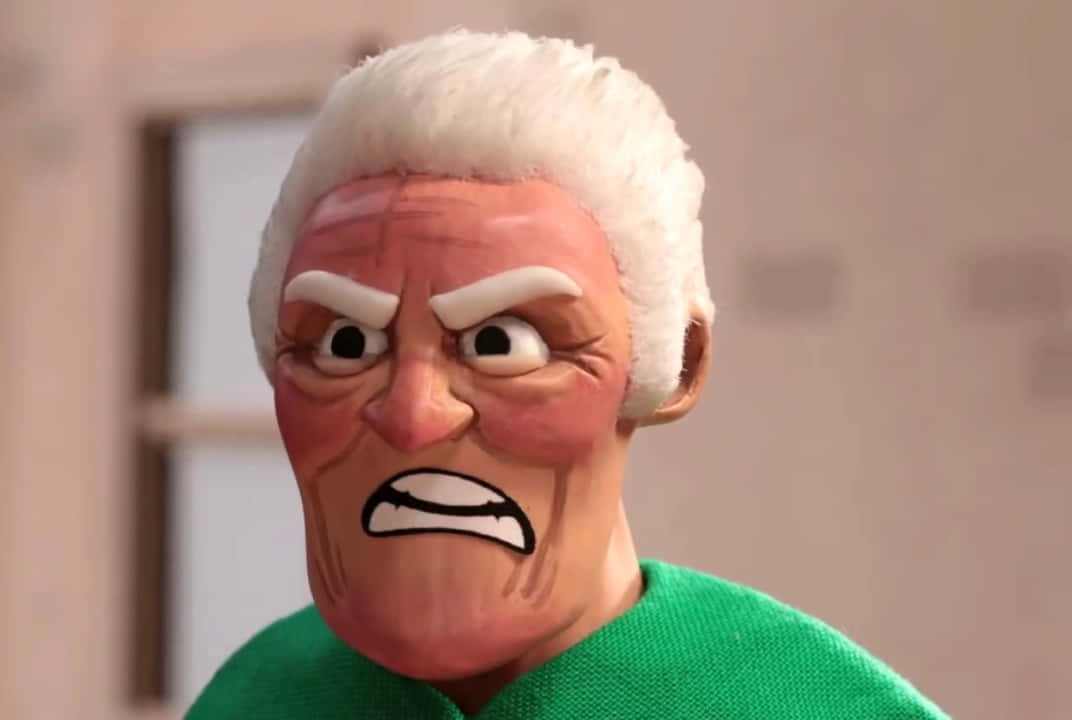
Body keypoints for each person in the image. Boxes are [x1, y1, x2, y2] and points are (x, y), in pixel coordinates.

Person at [186, 29, 948, 719]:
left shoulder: (812, 706)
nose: (413, 415)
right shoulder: (262, 695)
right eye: (346, 344)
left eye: (502, 343)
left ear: (675, 364)